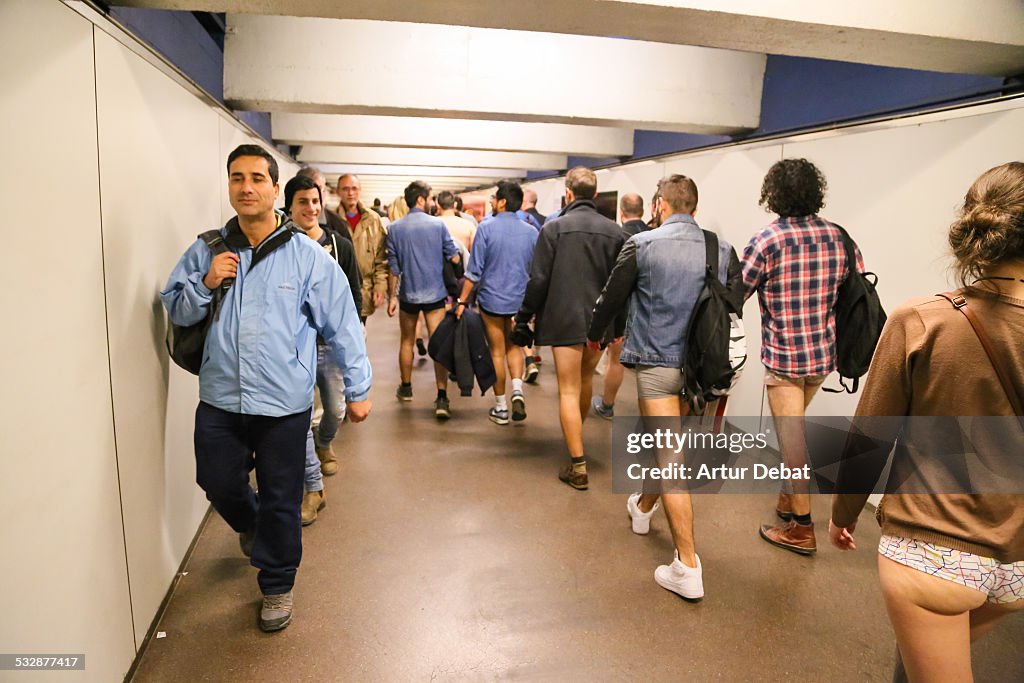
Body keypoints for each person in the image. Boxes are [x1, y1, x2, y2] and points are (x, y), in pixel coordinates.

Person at [161, 145, 372, 632]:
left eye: (257, 178)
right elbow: (177, 308)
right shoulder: (208, 249)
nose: (246, 187)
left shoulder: (307, 256)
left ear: (275, 188)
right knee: (218, 482)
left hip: (283, 403)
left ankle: (277, 583)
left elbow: (342, 324)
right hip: (220, 397)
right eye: (237, 178)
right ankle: (253, 526)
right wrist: (205, 283)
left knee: (283, 495)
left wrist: (358, 388)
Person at [829, 162, 1024, 683]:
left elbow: (869, 438)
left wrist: (843, 513)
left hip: (933, 551)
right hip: (1018, 560)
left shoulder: (923, 319)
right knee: (923, 660)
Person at [588, 174, 739, 601]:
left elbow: (611, 297)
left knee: (670, 459)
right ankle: (643, 506)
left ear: (660, 205)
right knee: (669, 449)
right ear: (694, 206)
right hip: (700, 370)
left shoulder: (643, 244)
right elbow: (733, 303)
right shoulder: (721, 248)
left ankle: (687, 567)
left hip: (656, 366)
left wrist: (595, 333)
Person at [740, 158, 863, 555]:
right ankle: (787, 500)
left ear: (773, 194)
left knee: (794, 445)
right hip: (823, 356)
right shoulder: (840, 237)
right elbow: (855, 285)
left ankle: (801, 528)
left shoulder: (767, 241)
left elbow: (736, 292)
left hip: (785, 360)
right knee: (793, 436)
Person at [513, 167, 625, 489]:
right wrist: (616, 324)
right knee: (585, 379)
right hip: (598, 323)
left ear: (569, 194)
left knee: (568, 388)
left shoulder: (554, 228)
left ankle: (578, 464)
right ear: (595, 193)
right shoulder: (616, 233)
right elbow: (620, 285)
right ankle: (575, 440)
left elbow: (539, 280)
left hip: (563, 319)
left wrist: (524, 318)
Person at [283, 174, 362, 523]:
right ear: (289, 207)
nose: (311, 208)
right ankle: (313, 488)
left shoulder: (338, 243)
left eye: (316, 201)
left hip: (329, 345)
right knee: (299, 417)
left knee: (334, 409)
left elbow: (352, 295)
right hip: (293, 348)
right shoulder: (280, 247)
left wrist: (355, 338)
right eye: (303, 202)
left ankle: (325, 441)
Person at [456, 180, 538, 424]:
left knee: (497, 351)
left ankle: (501, 408)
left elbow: (474, 271)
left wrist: (461, 302)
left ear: (502, 202)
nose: (491, 202)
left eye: (494, 198)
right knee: (515, 348)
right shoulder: (531, 232)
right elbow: (536, 271)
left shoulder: (486, 228)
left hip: (492, 300)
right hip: (519, 302)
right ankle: (517, 392)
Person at [386, 180, 462, 418]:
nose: (432, 202)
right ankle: (441, 397)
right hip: (435, 294)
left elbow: (394, 268)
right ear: (420, 199)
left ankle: (406, 387)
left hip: (409, 293)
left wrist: (392, 297)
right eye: (430, 198)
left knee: (407, 341)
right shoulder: (437, 226)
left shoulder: (395, 228)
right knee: (438, 343)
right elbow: (455, 257)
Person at [592, 192, 648, 420]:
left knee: (615, 361)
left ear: (621, 212)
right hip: (649, 312)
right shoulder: (656, 234)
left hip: (623, 311)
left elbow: (613, 280)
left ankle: (607, 404)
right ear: (643, 211)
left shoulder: (619, 236)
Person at [336, 174, 390, 323]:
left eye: (354, 188)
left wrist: (380, 286)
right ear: (338, 191)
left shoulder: (372, 220)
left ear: (360, 190)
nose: (350, 193)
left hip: (363, 290)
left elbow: (381, 258)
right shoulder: (331, 219)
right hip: (335, 291)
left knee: (360, 333)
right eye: (345, 189)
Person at [296, 166, 352, 245]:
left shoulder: (338, 225)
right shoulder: (280, 220)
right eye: (307, 188)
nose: (313, 194)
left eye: (319, 189)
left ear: (325, 192)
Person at [436, 190, 477, 255]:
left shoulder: (432, 225)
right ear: (455, 205)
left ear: (438, 205)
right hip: (463, 264)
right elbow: (475, 252)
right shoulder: (469, 226)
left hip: (437, 263)